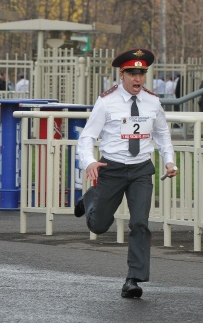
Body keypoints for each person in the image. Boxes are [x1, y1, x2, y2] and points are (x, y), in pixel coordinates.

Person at [74, 48, 178, 298]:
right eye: (132, 73)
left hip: (142, 168)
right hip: (112, 168)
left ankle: (134, 279)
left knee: (140, 222)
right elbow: (87, 136)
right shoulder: (107, 101)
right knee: (98, 225)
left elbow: (162, 133)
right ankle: (90, 199)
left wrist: (169, 161)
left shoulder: (152, 101)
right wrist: (89, 162)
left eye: (141, 73)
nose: (137, 79)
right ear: (122, 74)